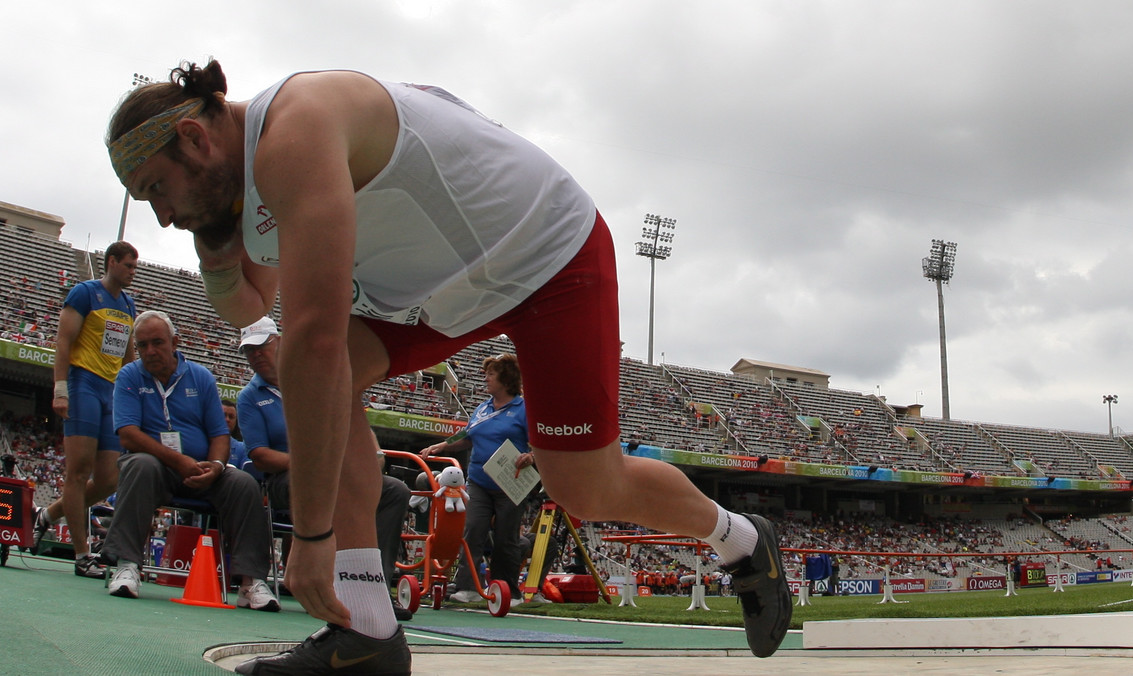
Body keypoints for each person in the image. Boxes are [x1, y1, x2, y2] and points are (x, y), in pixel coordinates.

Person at [106, 59, 790, 673]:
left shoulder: (295, 131)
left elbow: (311, 339)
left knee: (583, 486)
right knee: (330, 376)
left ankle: (737, 535)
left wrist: (312, 535)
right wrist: (214, 243)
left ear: (196, 141)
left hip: (546, 255)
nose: (161, 216)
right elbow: (250, 302)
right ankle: (368, 630)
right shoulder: (249, 180)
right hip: (443, 287)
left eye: (156, 190)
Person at [235, 316, 412, 619]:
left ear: (278, 342)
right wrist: (312, 461)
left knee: (395, 490)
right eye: (249, 351)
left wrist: (372, 453)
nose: (256, 356)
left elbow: (356, 421)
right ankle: (336, 581)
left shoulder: (314, 378)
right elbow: (261, 456)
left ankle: (375, 585)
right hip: (287, 479)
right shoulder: (249, 397)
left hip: (331, 469)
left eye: (260, 347)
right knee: (328, 484)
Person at [101, 310, 279, 612]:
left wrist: (217, 467)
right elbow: (128, 434)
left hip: (200, 469)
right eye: (142, 345)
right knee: (139, 465)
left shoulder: (201, 377)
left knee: (243, 483)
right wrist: (178, 460)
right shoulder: (129, 375)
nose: (150, 351)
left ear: (175, 342)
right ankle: (128, 565)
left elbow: (220, 434)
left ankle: (251, 581)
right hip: (156, 467)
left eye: (157, 343)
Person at [34, 241, 138, 578]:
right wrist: (60, 389)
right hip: (82, 385)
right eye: (129, 265)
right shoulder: (84, 293)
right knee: (78, 471)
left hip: (111, 391)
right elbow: (63, 341)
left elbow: (127, 356)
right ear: (111, 262)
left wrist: (132, 395)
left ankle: (47, 515)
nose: (133, 272)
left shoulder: (128, 304)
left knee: (109, 479)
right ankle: (82, 555)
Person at [420, 353, 533, 605]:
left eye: (491, 374)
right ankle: (468, 587)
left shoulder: (523, 408)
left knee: (506, 537)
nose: (486, 379)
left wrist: (531, 456)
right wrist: (441, 445)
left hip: (510, 482)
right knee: (472, 531)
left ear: (506, 378)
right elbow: (466, 435)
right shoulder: (482, 408)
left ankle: (507, 591)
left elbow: (539, 442)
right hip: (478, 481)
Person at [221, 399, 249, 472]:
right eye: (223, 415)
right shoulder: (202, 443)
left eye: (231, 417)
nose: (227, 419)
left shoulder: (243, 448)